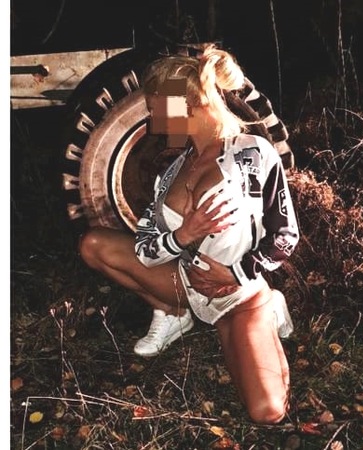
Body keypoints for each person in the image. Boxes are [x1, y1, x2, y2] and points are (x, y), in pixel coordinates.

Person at [79, 44, 299, 424]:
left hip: (239, 296)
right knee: (93, 244)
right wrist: (183, 235)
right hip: (185, 284)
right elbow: (146, 249)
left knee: (267, 411)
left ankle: (270, 309)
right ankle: (174, 312)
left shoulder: (254, 152)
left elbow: (285, 235)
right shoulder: (172, 171)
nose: (154, 122)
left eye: (156, 110)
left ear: (187, 104)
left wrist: (237, 273)